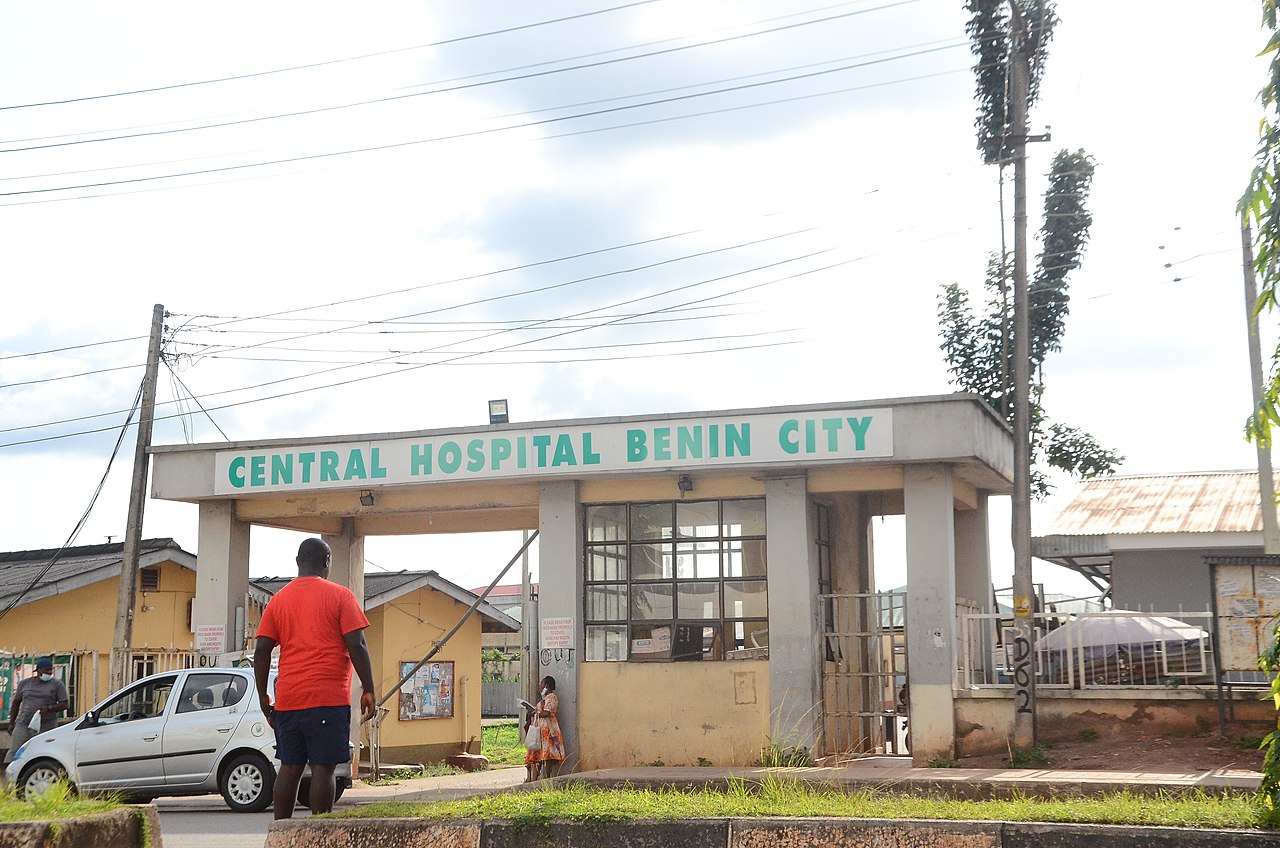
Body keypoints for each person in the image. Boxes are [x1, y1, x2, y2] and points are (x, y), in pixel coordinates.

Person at [254, 538, 377, 819]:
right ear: (327, 562)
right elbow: (356, 644)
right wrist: (369, 689)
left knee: (290, 767)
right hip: (327, 699)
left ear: (298, 562)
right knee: (323, 768)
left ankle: (280, 833)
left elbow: (261, 651)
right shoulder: (340, 596)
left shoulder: (278, 600)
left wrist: (263, 695)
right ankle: (318, 834)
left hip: (288, 700)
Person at [5, 659, 69, 769]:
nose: (49, 673)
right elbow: (16, 703)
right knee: (15, 750)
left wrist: (49, 708)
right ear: (38, 671)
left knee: (45, 752)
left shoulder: (57, 685)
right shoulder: (25, 684)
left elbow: (65, 704)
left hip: (46, 726)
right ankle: (9, 774)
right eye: (47, 670)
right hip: (23, 724)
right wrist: (12, 723)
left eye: (51, 670)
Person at [523, 675, 565, 781]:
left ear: (546, 686)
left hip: (549, 729)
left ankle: (546, 776)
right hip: (541, 730)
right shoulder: (544, 699)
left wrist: (534, 713)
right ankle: (538, 776)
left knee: (548, 755)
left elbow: (546, 713)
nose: (540, 686)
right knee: (540, 754)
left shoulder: (552, 697)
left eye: (541, 684)